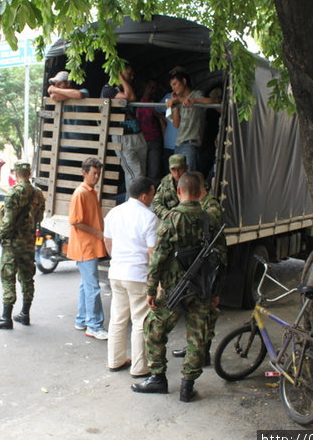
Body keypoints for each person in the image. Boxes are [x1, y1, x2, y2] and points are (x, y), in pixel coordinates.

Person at [131, 172, 216, 402]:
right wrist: (215, 292)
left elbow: (158, 257)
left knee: (153, 328)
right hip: (201, 289)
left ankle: (158, 378)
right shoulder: (210, 219)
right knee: (198, 337)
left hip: (173, 290)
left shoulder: (171, 219)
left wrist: (151, 290)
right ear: (200, 193)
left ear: (178, 192)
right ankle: (187, 386)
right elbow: (221, 259)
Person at [103, 176, 159, 377]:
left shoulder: (114, 213)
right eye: (152, 194)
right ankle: (139, 367)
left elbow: (107, 242)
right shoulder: (150, 218)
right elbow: (153, 252)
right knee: (140, 321)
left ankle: (115, 361)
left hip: (116, 272)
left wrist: (118, 259)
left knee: (117, 319)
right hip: (138, 274)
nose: (153, 198)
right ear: (144, 196)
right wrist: (157, 281)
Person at [172, 174, 226, 362]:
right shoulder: (200, 206)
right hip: (200, 265)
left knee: (207, 313)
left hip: (209, 267)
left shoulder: (211, 206)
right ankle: (196, 349)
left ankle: (203, 353)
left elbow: (214, 239)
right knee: (199, 314)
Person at [0, 162, 45, 329]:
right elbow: (39, 217)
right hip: (28, 243)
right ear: (29, 173)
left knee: (8, 277)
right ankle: (25, 314)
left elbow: (8, 220)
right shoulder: (38, 194)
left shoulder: (14, 193)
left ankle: (6, 318)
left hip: (12, 244)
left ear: (16, 173)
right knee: (27, 277)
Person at [68, 157, 108, 340]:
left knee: (86, 285)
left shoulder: (90, 192)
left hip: (88, 246)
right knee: (93, 287)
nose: (97, 176)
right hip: (85, 247)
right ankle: (94, 325)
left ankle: (82, 319)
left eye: (98, 173)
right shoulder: (81, 193)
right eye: (94, 173)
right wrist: (97, 233)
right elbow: (76, 221)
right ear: (85, 173)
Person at [101, 65, 147, 191]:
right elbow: (130, 97)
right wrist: (120, 76)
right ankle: (133, 208)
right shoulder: (108, 89)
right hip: (123, 138)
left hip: (137, 135)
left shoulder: (129, 87)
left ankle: (137, 206)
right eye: (129, 73)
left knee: (141, 174)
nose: (132, 77)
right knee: (135, 175)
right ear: (119, 72)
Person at [166, 71, 220, 172]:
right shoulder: (178, 100)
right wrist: (176, 105)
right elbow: (176, 124)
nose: (173, 88)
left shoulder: (196, 94)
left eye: (175, 84)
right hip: (178, 143)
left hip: (191, 143)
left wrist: (194, 101)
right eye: (171, 86)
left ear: (184, 81)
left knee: (189, 175)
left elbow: (211, 101)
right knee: (177, 175)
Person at [136, 78, 163, 181]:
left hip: (154, 140)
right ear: (144, 87)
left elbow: (162, 119)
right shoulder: (136, 101)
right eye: (150, 87)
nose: (152, 90)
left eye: (154, 88)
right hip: (140, 140)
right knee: (141, 170)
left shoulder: (155, 103)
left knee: (154, 171)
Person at [151, 154, 187, 219]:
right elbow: (156, 203)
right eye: (173, 169)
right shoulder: (165, 182)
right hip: (170, 220)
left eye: (180, 168)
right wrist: (168, 215)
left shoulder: (194, 181)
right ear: (169, 169)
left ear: (186, 168)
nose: (177, 173)